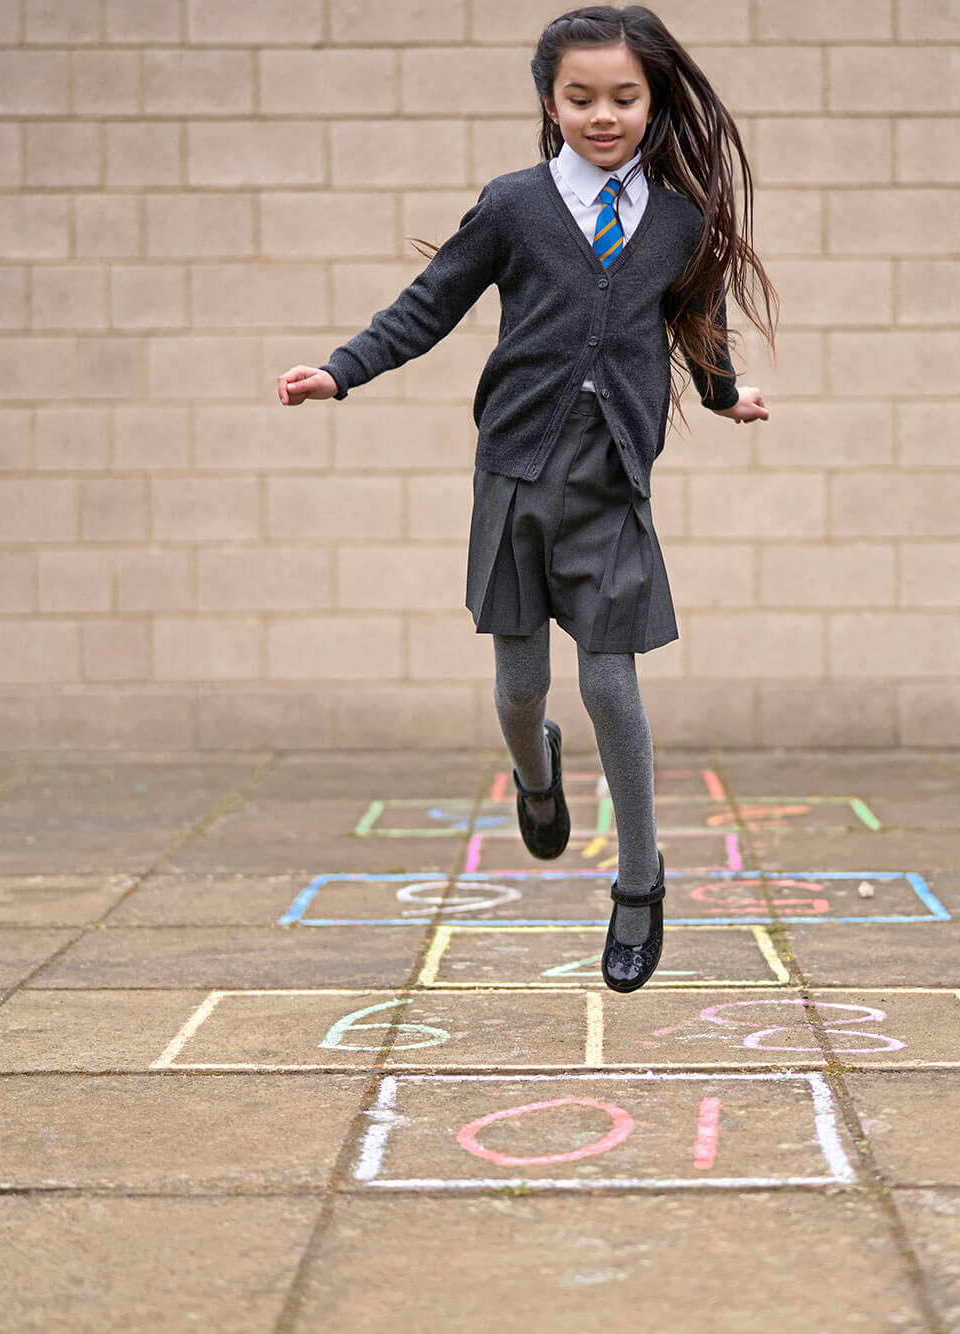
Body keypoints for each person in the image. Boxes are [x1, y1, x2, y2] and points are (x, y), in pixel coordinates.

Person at [278, 5, 777, 993]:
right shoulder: (513, 205)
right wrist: (341, 370)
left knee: (609, 684)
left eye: (623, 97)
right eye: (580, 97)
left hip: (611, 487)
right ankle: (536, 771)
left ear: (652, 100)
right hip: (514, 475)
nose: (603, 114)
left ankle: (638, 885)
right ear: (550, 102)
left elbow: (699, 325)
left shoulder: (678, 222)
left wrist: (725, 396)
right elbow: (427, 304)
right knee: (519, 690)